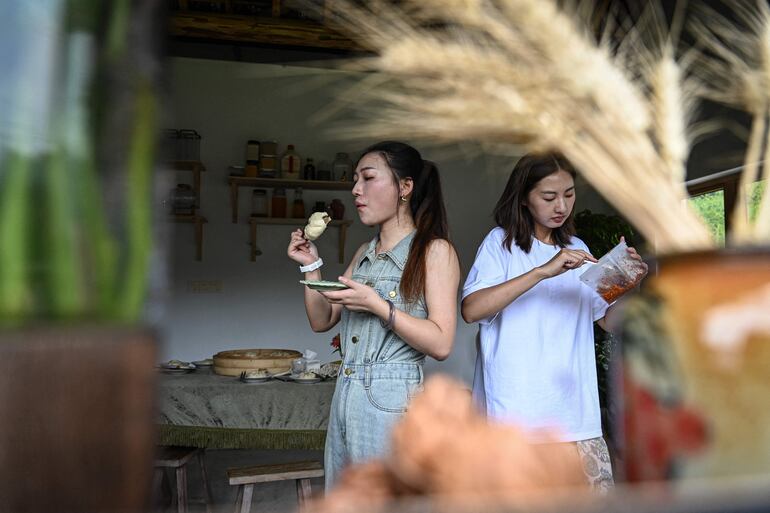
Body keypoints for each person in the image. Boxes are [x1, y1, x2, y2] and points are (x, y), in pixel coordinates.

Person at [460, 152, 647, 492]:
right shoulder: (500, 244)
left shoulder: (578, 247)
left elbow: (608, 321)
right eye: (549, 197)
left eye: (569, 194)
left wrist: (628, 284)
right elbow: (472, 310)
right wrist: (543, 271)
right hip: (517, 418)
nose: (561, 206)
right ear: (524, 198)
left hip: (578, 416)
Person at [287, 141, 460, 488]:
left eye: (368, 178)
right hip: (345, 393)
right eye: (355, 180)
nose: (356, 189)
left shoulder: (435, 251)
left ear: (405, 187)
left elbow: (442, 343)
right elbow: (322, 320)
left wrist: (378, 305)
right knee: (345, 499)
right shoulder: (364, 253)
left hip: (391, 401)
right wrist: (311, 266)